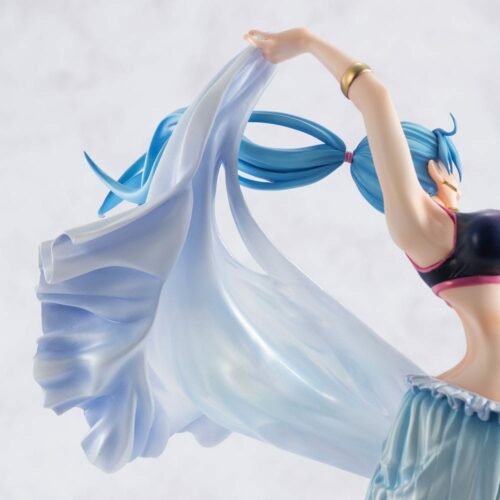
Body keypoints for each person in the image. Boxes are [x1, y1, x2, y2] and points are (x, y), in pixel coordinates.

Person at [34, 28, 499, 498]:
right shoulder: (423, 230)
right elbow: (375, 96)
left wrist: (450, 201)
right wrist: (306, 42)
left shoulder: (445, 230)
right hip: (475, 423)